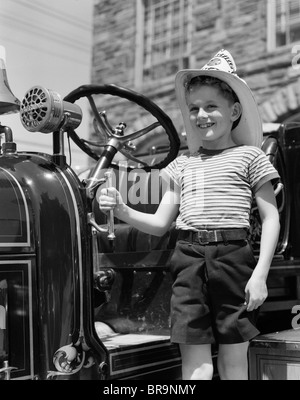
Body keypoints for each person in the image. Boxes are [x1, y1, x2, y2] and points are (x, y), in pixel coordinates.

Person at [98, 49, 280, 380]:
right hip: (187, 260)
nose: (202, 115)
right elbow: (159, 224)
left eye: (212, 106)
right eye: (194, 108)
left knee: (233, 362)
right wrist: (122, 209)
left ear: (234, 110)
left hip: (234, 259)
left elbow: (271, 219)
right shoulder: (182, 165)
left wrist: (259, 275)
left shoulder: (250, 157)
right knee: (195, 364)